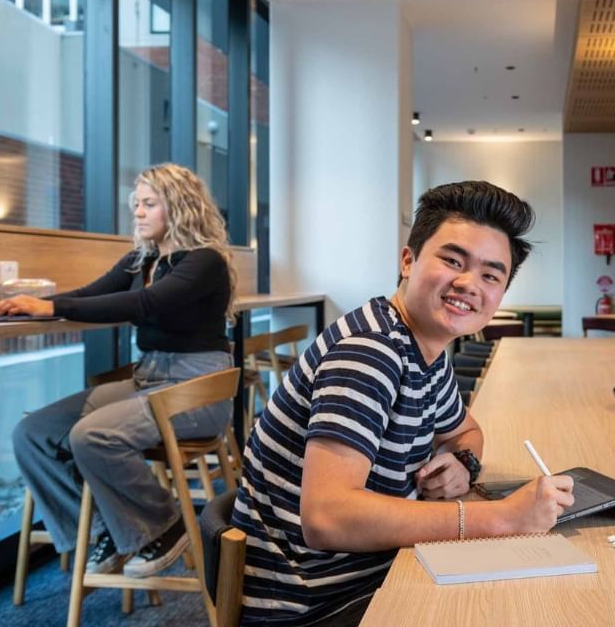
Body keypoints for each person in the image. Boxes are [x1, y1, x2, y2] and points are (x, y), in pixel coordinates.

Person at [232, 181, 575, 627]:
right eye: (453, 260)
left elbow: (466, 431)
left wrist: (462, 462)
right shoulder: (369, 352)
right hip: (319, 604)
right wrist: (500, 518)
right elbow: (327, 516)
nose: (469, 283)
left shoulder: (424, 350)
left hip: (377, 571)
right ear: (408, 260)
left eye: (491, 275)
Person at [0, 163, 237, 578]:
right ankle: (112, 531)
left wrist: (51, 307)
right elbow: (90, 294)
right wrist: (28, 303)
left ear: (180, 206)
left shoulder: (204, 261)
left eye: (149, 203)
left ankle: (164, 525)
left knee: (92, 435)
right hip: (150, 379)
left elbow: (145, 305)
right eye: (135, 203)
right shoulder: (143, 259)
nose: (137, 212)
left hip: (196, 388)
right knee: (32, 434)